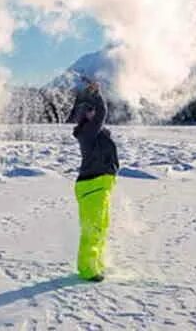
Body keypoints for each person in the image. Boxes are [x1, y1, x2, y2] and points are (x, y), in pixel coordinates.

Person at [68, 80, 119, 282]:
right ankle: (87, 269)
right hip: (92, 186)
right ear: (84, 116)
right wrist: (96, 94)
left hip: (101, 186)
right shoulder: (88, 132)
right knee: (92, 230)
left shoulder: (95, 133)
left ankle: (97, 263)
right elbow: (102, 112)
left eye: (92, 110)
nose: (92, 113)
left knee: (101, 227)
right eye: (89, 110)